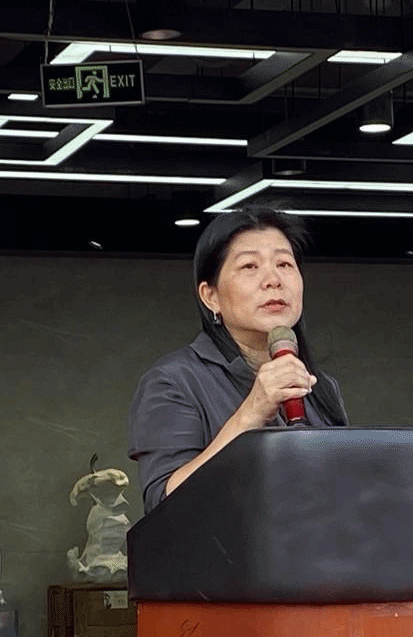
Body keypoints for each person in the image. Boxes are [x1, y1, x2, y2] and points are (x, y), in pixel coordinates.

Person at [128, 207, 348, 513]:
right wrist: (250, 413)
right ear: (211, 296)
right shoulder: (173, 382)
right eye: (249, 266)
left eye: (284, 263)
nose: (273, 279)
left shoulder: (321, 386)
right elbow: (164, 506)